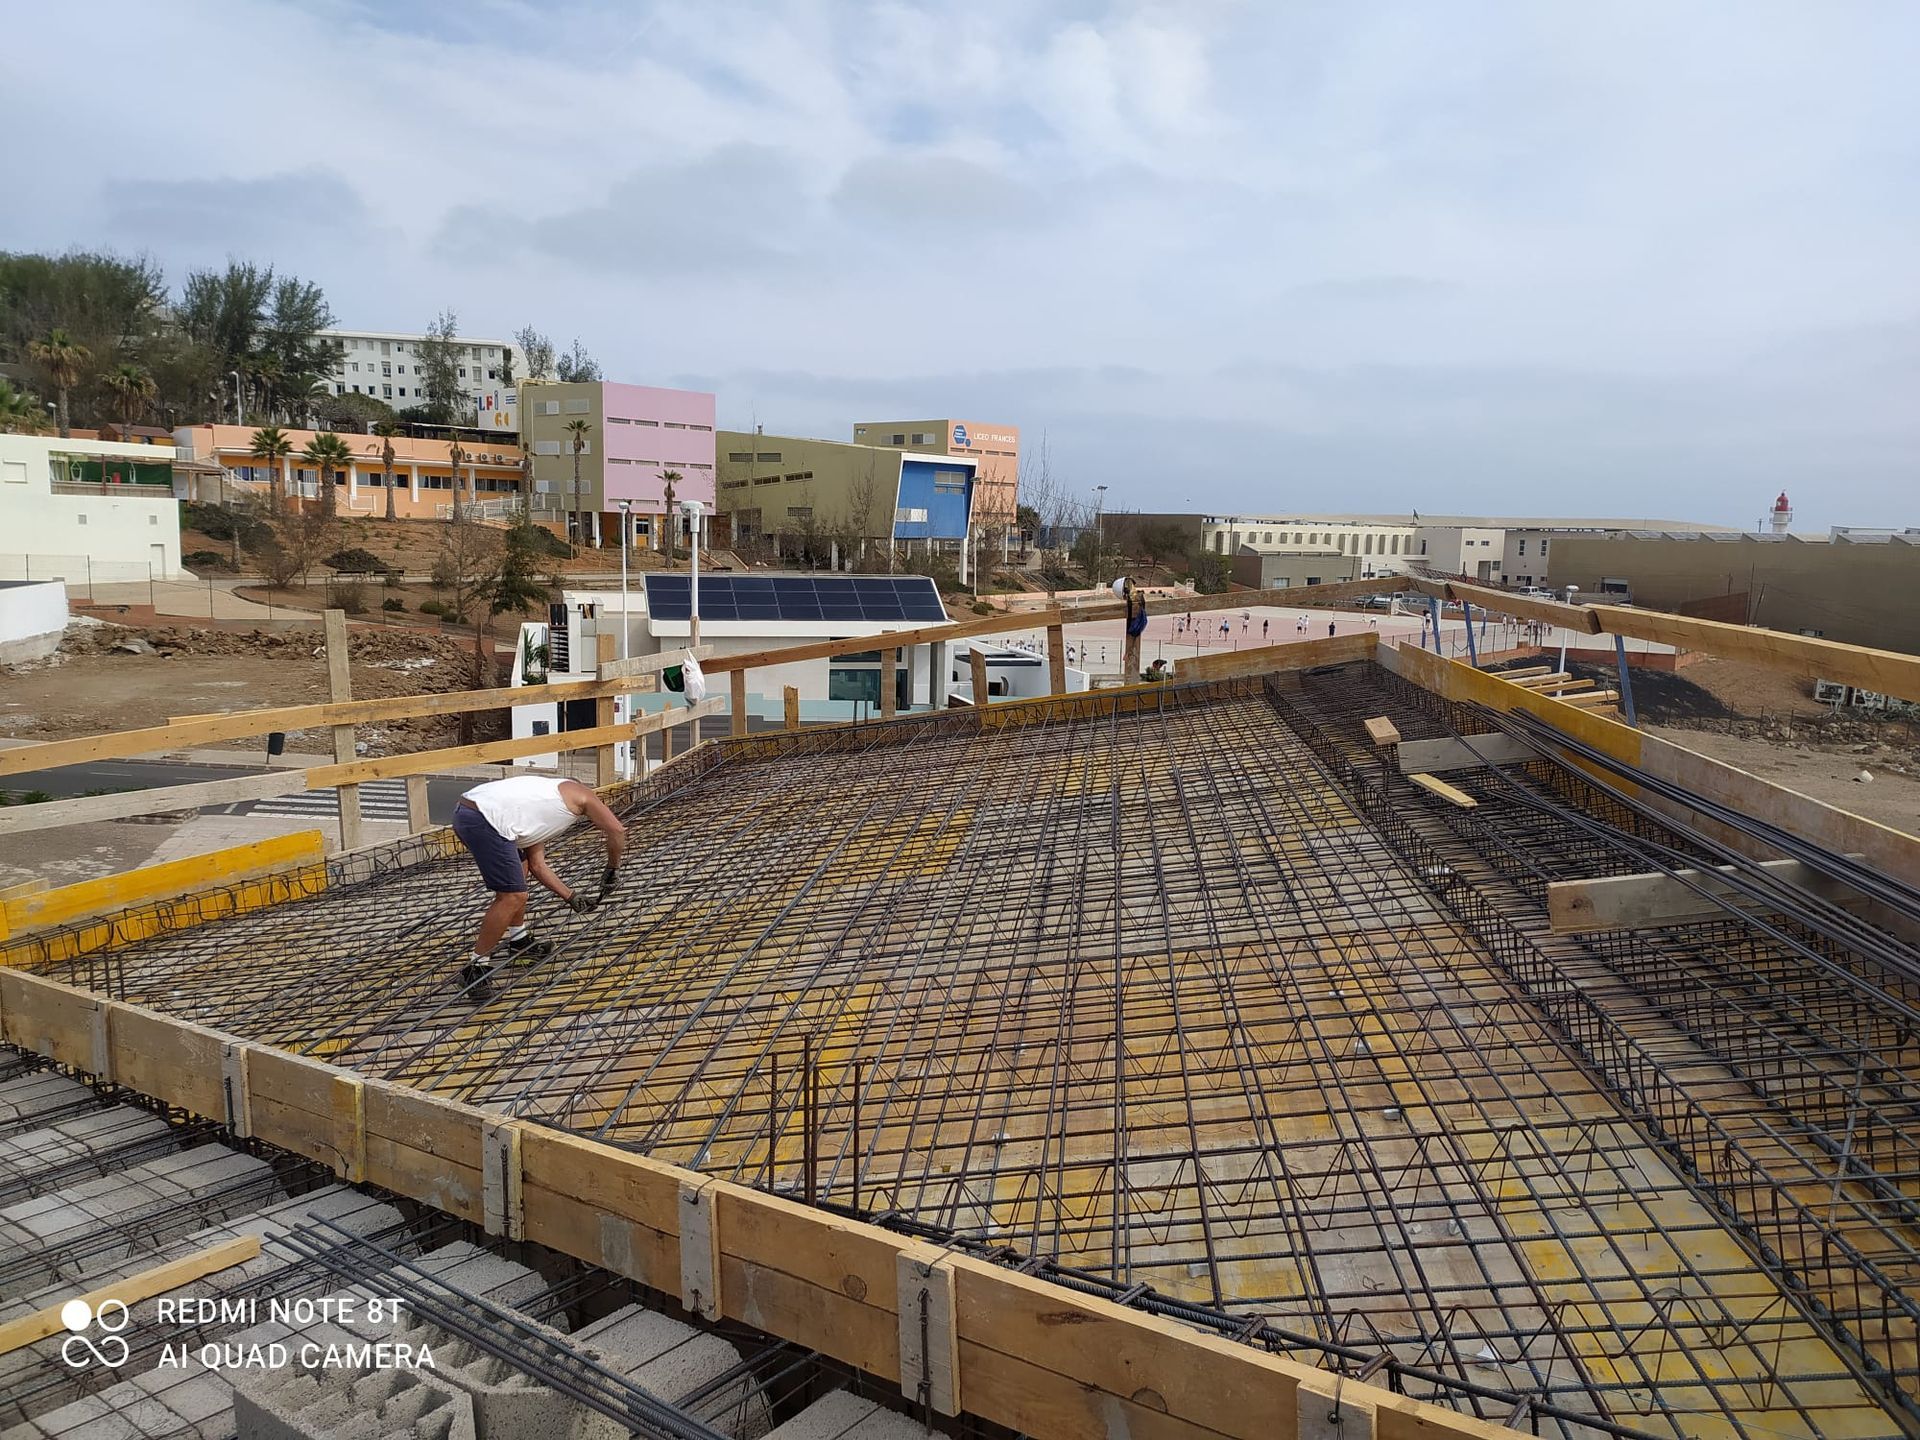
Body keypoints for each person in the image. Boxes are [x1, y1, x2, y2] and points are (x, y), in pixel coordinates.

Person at [452, 774, 626, 996]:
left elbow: (537, 865)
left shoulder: (541, 802)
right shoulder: (583, 796)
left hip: (470, 812)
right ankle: (475, 969)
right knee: (513, 895)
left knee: (520, 872)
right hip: (485, 818)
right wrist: (612, 869)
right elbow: (617, 830)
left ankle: (519, 939)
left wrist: (571, 897)